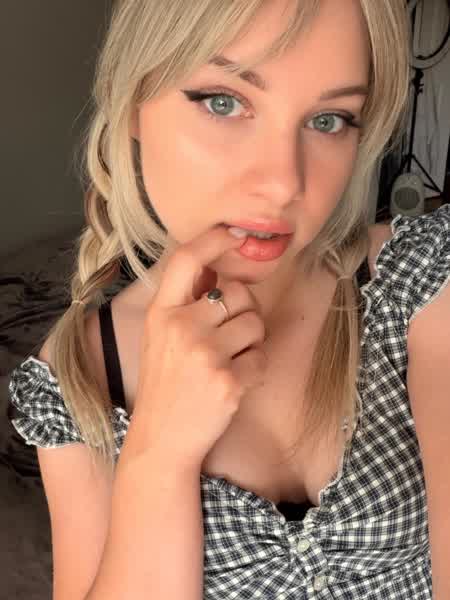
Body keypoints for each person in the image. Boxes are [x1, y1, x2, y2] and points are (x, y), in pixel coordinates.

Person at [7, 0, 450, 598]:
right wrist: (160, 451)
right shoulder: (79, 380)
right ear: (132, 100)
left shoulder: (421, 280)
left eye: (329, 120)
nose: (284, 184)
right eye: (223, 102)